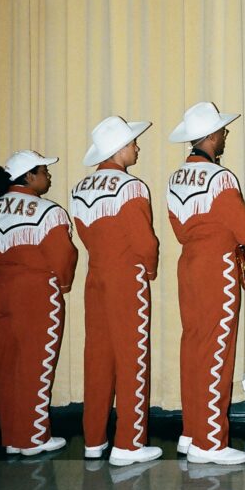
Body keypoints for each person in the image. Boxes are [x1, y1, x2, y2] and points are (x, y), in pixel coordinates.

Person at [167, 101, 245, 465]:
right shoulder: (221, 178)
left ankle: (191, 432)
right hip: (217, 266)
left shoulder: (175, 177)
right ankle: (211, 442)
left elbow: (177, 227)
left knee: (193, 347)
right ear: (209, 136)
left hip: (188, 264)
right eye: (221, 131)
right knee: (217, 351)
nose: (225, 136)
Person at [71, 116, 162, 467]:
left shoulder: (80, 188)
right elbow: (144, 241)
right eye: (133, 143)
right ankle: (129, 442)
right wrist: (149, 270)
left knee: (97, 358)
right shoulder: (131, 187)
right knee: (132, 359)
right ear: (120, 148)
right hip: (127, 278)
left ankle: (93, 440)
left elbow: (83, 234)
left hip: (95, 278)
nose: (137, 147)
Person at [0, 150, 78, 455]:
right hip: (35, 292)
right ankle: (34, 438)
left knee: (4, 364)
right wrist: (63, 284)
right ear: (30, 176)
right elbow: (63, 256)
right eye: (44, 171)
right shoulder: (48, 211)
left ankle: (12, 437)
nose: (49, 176)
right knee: (36, 363)